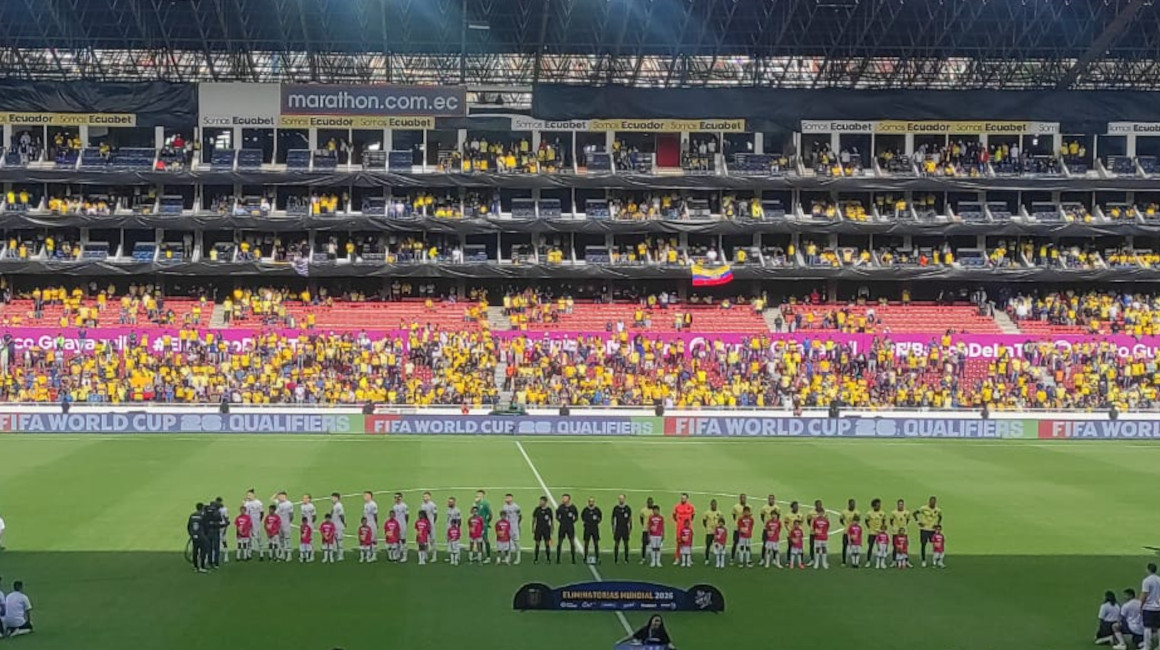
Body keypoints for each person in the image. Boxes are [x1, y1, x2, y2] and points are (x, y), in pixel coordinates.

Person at [915, 496, 942, 568]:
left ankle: (935, 560)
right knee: (923, 545)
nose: (932, 503)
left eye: (934, 502)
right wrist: (918, 522)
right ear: (929, 501)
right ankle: (923, 560)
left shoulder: (938, 510)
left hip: (932, 530)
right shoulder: (924, 508)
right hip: (924, 529)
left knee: (935, 545)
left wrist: (937, 525)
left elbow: (940, 517)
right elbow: (914, 513)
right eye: (931, 502)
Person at [555, 494, 579, 564]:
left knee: (572, 543)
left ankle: (573, 558)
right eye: (563, 498)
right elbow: (557, 515)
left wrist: (572, 522)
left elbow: (576, 516)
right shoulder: (560, 507)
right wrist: (561, 521)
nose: (563, 499)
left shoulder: (573, 507)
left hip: (570, 527)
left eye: (565, 498)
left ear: (568, 499)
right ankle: (558, 558)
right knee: (559, 543)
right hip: (562, 527)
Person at [1141, 563, 1160, 650]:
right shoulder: (1159, 579)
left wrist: (1140, 605)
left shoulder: (1147, 581)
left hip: (1149, 606)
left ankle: (1147, 646)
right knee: (1159, 627)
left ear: (1148, 569)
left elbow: (1145, 594)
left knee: (1147, 627)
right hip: (1158, 606)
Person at [187, 502, 209, 573]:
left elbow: (189, 526)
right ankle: (202, 566)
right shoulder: (203, 516)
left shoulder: (192, 515)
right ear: (202, 508)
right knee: (203, 551)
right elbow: (206, 526)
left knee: (195, 552)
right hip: (201, 536)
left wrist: (191, 534)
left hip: (194, 536)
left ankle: (195, 567)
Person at [500, 494, 522, 565]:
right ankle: (508, 557)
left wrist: (517, 524)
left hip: (514, 527)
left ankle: (518, 558)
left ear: (511, 498)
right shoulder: (504, 506)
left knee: (516, 543)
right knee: (507, 543)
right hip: (507, 527)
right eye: (506, 498)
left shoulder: (516, 507)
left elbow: (520, 516)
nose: (507, 499)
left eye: (508, 498)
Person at [672, 493, 694, 563]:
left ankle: (689, 558)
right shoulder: (677, 506)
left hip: (688, 528)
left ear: (687, 499)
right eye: (682, 498)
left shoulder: (691, 507)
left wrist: (688, 523)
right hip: (680, 527)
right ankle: (677, 558)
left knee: (689, 542)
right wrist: (679, 522)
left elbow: (693, 516)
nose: (683, 499)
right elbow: (674, 516)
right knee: (679, 542)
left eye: (684, 498)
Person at [611, 494, 632, 564]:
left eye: (622, 499)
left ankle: (626, 559)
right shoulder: (616, 508)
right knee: (616, 544)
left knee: (626, 544)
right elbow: (613, 519)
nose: (621, 500)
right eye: (620, 499)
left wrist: (630, 529)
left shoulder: (627, 508)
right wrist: (613, 529)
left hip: (625, 528)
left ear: (624, 499)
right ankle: (616, 559)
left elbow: (630, 519)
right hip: (618, 528)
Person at [864, 499, 886, 567]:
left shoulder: (882, 513)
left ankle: (881, 562)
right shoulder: (869, 513)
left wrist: (882, 530)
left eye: (879, 505)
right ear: (873, 506)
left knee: (881, 548)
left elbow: (883, 522)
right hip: (872, 533)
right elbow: (866, 521)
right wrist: (870, 528)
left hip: (880, 534)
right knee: (870, 547)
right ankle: (868, 561)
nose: (879, 506)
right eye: (877, 505)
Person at [531, 496, 553, 564]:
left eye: (541, 501)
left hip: (546, 529)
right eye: (540, 501)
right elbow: (534, 519)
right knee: (537, 543)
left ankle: (548, 558)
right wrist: (533, 527)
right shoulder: (537, 509)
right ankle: (536, 558)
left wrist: (552, 529)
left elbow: (551, 520)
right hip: (538, 529)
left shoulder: (549, 510)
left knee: (547, 543)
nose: (540, 502)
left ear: (545, 502)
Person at [274, 492, 295, 562]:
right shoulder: (279, 503)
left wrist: (288, 522)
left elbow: (291, 515)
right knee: (281, 539)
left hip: (286, 524)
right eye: (278, 497)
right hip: (279, 525)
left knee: (287, 539)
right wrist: (276, 494)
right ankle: (282, 553)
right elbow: (271, 499)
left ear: (284, 496)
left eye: (280, 496)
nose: (278, 498)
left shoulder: (289, 504)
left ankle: (289, 555)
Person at [582, 497, 603, 564]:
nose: (591, 503)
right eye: (590, 501)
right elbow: (582, 517)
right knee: (586, 543)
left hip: (595, 529)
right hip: (587, 529)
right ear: (588, 502)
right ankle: (585, 557)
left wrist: (596, 522)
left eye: (592, 501)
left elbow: (600, 518)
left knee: (596, 543)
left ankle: (597, 557)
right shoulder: (585, 510)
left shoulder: (597, 510)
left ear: (594, 502)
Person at [243, 490, 264, 559]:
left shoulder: (258, 503)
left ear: (253, 495)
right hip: (248, 523)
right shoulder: (246, 504)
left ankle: (261, 553)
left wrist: (258, 521)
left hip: (256, 523)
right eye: (247, 495)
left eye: (249, 495)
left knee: (258, 537)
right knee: (249, 538)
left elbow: (262, 513)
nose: (248, 496)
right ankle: (249, 553)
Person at [475, 490, 493, 564]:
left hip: (483, 525)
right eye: (477, 494)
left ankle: (488, 557)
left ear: (483, 495)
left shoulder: (485, 503)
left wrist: (487, 522)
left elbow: (490, 514)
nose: (478, 496)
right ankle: (480, 555)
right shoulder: (476, 503)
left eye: (479, 494)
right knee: (478, 540)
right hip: (477, 524)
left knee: (485, 539)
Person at [759, 495, 778, 564]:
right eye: (770, 499)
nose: (771, 500)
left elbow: (778, 518)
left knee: (774, 545)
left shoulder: (777, 508)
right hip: (766, 529)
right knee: (764, 544)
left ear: (774, 500)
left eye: (772, 499)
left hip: (774, 530)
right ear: (768, 500)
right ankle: (762, 559)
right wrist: (766, 524)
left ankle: (774, 559)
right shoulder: (764, 508)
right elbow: (762, 516)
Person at [702, 499, 722, 566]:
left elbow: (722, 521)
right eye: (713, 504)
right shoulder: (707, 513)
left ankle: (718, 559)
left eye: (715, 504)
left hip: (717, 533)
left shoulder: (719, 513)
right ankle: (707, 559)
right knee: (708, 545)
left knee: (718, 546)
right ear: (711, 505)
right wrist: (707, 527)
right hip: (709, 532)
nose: (714, 506)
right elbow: (704, 521)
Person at [419, 492, 438, 562]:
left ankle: (434, 556)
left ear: (429, 497)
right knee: (424, 540)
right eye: (424, 497)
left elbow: (435, 515)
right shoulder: (422, 505)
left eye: (426, 497)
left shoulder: (432, 505)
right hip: (424, 526)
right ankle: (425, 555)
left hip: (431, 525)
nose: (425, 498)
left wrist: (432, 523)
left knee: (432, 540)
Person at [839, 498, 858, 567]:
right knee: (844, 546)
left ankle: (854, 561)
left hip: (853, 533)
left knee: (854, 547)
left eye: (854, 504)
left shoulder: (857, 512)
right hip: (846, 532)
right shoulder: (844, 512)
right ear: (849, 504)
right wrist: (845, 525)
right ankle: (844, 561)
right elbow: (841, 519)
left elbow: (858, 521)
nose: (853, 505)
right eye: (852, 504)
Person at [730, 494, 748, 563]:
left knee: (745, 544)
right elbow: (734, 516)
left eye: (744, 498)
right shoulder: (736, 507)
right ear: (740, 499)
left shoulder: (748, 507)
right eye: (742, 498)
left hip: (745, 529)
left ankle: (745, 559)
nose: (743, 499)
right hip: (737, 528)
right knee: (735, 543)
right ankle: (732, 558)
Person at [392, 493, 410, 563]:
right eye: (395, 497)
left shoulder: (404, 506)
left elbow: (407, 516)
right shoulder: (394, 506)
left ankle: (405, 556)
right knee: (396, 540)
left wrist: (404, 523)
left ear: (400, 498)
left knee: (403, 540)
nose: (395, 499)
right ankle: (397, 554)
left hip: (402, 525)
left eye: (397, 497)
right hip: (396, 525)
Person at [445, 496, 462, 564]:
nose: (449, 503)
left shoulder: (457, 510)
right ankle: (451, 557)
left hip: (455, 528)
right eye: (449, 502)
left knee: (456, 543)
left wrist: (457, 528)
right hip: (449, 527)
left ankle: (457, 557)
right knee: (449, 542)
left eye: (451, 502)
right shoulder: (448, 509)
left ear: (454, 502)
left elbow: (459, 520)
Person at [639, 496, 656, 564]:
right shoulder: (643, 510)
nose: (650, 504)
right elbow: (641, 518)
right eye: (649, 503)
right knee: (644, 544)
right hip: (645, 529)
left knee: (654, 544)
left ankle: (654, 558)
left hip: (653, 531)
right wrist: (644, 525)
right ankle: (643, 558)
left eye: (651, 503)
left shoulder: (654, 510)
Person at [330, 493, 346, 562]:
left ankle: (341, 555)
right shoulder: (335, 506)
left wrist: (343, 523)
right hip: (335, 525)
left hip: (338, 526)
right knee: (335, 541)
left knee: (339, 541)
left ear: (337, 498)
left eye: (333, 498)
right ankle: (337, 554)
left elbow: (341, 515)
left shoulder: (339, 506)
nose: (332, 499)